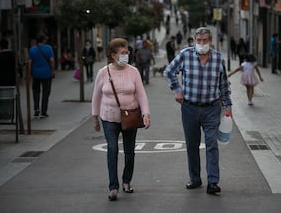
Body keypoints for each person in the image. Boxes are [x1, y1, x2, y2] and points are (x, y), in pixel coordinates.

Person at [164, 27, 232, 195]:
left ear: (210, 41)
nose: (202, 43)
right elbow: (169, 72)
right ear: (194, 41)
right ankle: (195, 179)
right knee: (192, 145)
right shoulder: (185, 55)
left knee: (211, 145)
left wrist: (228, 106)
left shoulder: (217, 58)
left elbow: (224, 84)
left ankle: (213, 182)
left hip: (212, 108)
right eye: (199, 40)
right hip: (190, 108)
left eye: (205, 40)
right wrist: (177, 90)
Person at [91, 38, 151, 201]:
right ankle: (113, 187)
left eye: (127, 52)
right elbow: (96, 95)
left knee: (130, 151)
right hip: (109, 117)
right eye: (123, 53)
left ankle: (127, 180)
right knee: (112, 149)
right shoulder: (103, 72)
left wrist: (146, 113)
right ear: (113, 55)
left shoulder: (133, 71)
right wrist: (95, 117)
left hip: (130, 116)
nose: (127, 55)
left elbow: (141, 94)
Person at [28, 35, 55, 118]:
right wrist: (53, 71)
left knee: (36, 91)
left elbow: (29, 62)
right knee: (46, 92)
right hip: (46, 74)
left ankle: (36, 108)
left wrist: (29, 73)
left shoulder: (32, 49)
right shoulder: (48, 48)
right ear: (43, 40)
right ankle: (43, 111)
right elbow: (51, 61)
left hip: (36, 74)